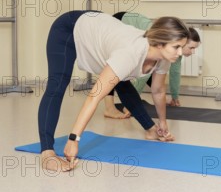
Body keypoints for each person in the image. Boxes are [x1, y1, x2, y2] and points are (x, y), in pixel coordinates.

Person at [38, 10, 190, 172]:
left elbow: (158, 91)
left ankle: (151, 130)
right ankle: (47, 153)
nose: (181, 53)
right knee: (57, 84)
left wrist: (162, 124)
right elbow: (94, 97)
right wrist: (73, 140)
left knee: (121, 81)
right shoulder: (129, 53)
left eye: (182, 47)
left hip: (100, 27)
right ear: (160, 43)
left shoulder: (164, 57)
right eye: (177, 47)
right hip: (70, 27)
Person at [103, 12, 201, 119]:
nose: (193, 52)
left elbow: (175, 72)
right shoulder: (164, 41)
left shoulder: (176, 48)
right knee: (113, 67)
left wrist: (175, 96)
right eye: (191, 48)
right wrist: (131, 105)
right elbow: (142, 76)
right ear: (183, 42)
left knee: (154, 69)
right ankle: (109, 108)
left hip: (132, 23)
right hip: (121, 20)